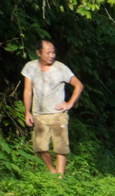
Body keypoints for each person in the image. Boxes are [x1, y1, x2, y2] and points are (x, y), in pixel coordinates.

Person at [20, 40, 82, 177]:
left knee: (60, 148)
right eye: (48, 52)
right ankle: (53, 172)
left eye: (53, 52)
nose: (52, 55)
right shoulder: (30, 67)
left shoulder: (61, 68)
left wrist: (69, 104)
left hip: (58, 114)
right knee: (40, 147)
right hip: (39, 114)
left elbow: (78, 85)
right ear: (38, 53)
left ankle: (59, 179)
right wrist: (27, 112)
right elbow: (28, 91)